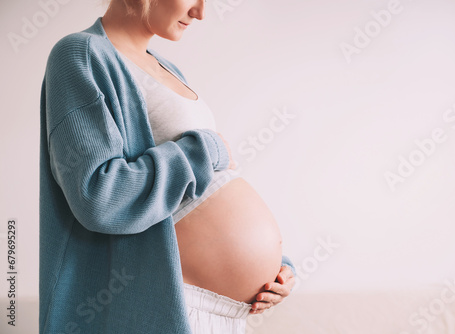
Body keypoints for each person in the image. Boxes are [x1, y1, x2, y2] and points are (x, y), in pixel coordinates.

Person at [39, 0, 296, 333]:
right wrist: (205, 149)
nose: (201, 12)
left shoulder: (169, 69)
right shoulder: (81, 54)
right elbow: (98, 197)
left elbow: (204, 189)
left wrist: (274, 266)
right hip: (171, 302)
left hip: (223, 315)